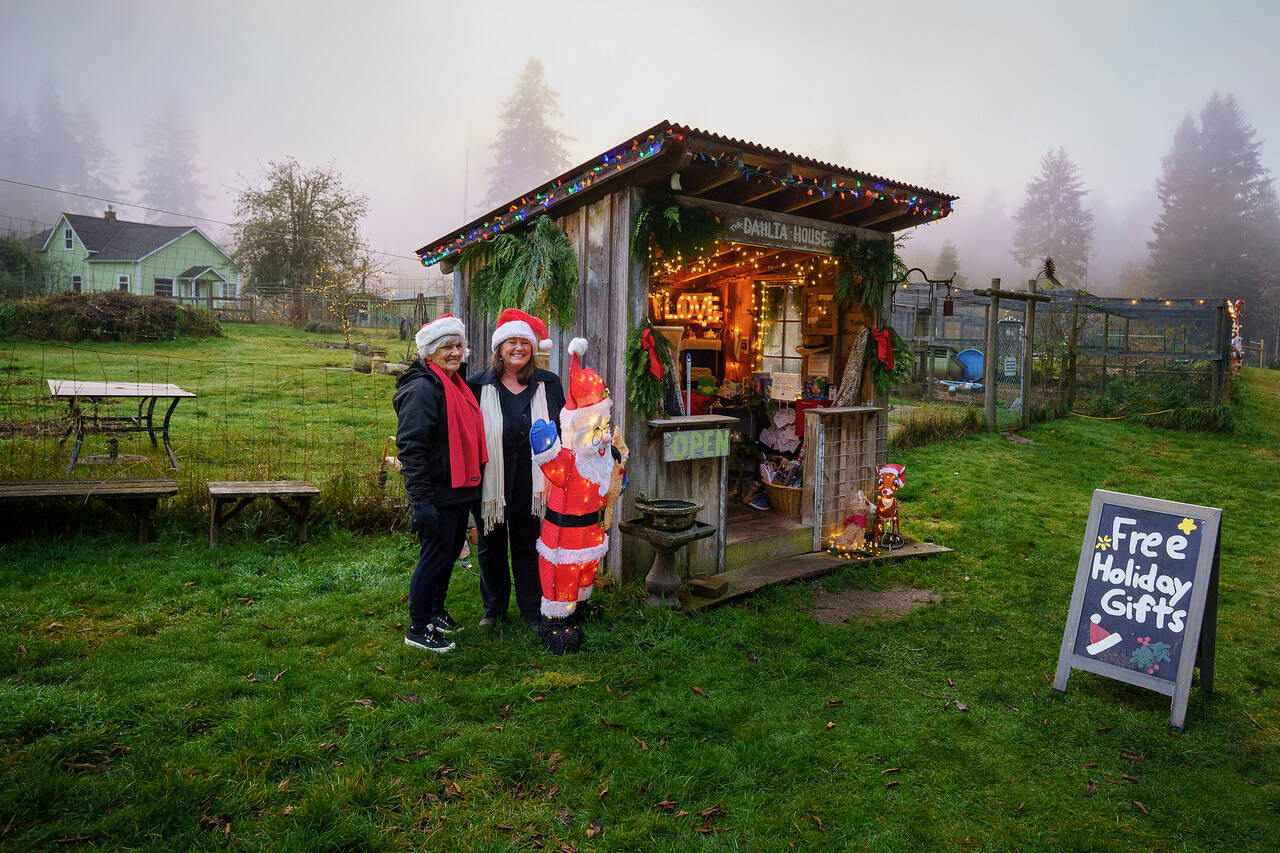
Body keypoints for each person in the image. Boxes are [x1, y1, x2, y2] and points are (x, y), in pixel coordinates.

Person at [393, 314, 487, 653]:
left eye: (459, 346)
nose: (455, 352)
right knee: (435, 556)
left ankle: (436, 610)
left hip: (457, 487)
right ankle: (418, 627)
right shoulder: (421, 389)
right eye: (447, 346)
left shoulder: (454, 384)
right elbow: (412, 449)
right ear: (430, 351)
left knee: (448, 553)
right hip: (436, 489)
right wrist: (422, 502)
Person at [467, 308, 565, 630]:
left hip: (532, 481)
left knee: (527, 546)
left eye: (525, 342)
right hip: (491, 480)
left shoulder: (548, 384)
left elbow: (563, 429)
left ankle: (532, 610)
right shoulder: (478, 386)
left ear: (533, 348)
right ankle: (494, 609)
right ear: (499, 348)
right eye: (512, 342)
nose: (519, 348)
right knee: (491, 545)